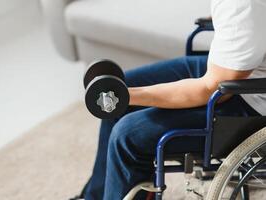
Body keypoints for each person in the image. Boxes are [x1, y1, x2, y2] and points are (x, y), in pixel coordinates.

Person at [71, 0, 266, 199]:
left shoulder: (243, 6)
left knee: (128, 134)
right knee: (123, 84)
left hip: (251, 100)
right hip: (239, 72)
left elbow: (209, 89)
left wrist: (126, 95)